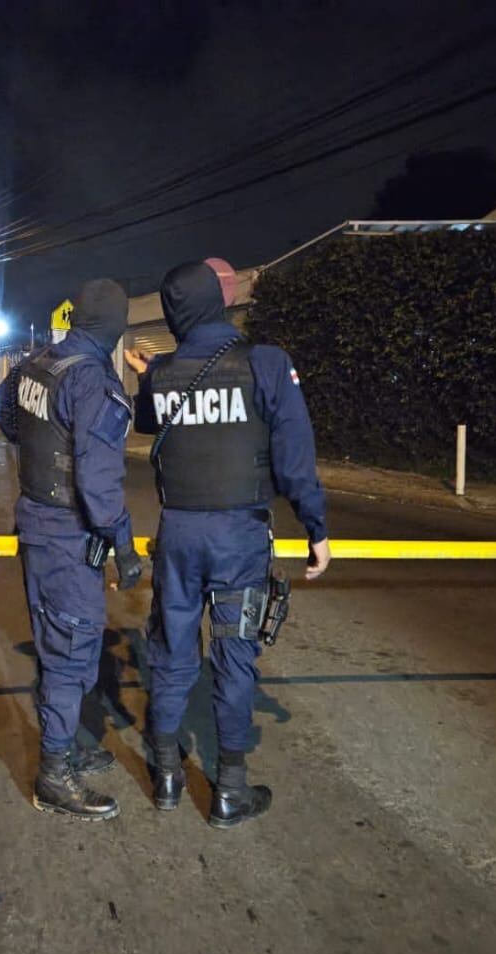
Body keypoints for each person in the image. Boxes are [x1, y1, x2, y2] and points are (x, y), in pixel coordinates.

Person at [126, 259, 330, 829]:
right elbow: (294, 461)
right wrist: (317, 529)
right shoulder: (264, 364)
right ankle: (229, 792)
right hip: (238, 537)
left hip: (178, 535)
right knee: (234, 657)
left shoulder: (161, 373)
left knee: (170, 652)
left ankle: (166, 775)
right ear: (220, 301)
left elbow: (149, 422)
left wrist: (148, 373)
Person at [0, 279, 143, 821]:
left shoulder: (40, 361)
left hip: (35, 522)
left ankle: (66, 743)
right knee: (72, 649)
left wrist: (34, 446)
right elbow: (100, 491)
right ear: (116, 326)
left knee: (58, 640)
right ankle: (54, 776)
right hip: (68, 534)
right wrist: (124, 546)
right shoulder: (94, 381)